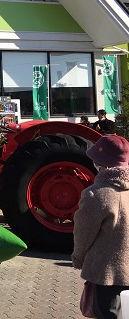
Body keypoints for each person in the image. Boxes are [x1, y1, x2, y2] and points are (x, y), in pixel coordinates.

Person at [72, 134, 129, 318]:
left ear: (101, 164)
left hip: (106, 274)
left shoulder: (95, 195)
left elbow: (83, 233)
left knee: (107, 314)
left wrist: (78, 257)